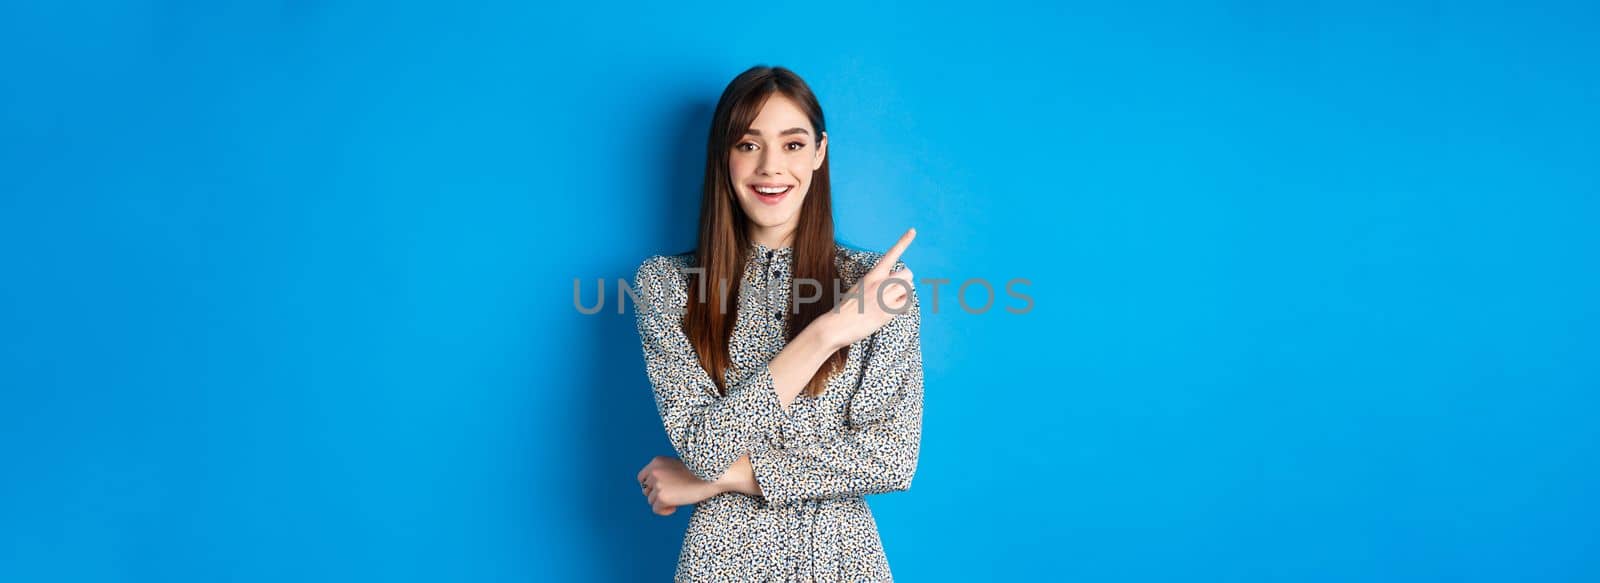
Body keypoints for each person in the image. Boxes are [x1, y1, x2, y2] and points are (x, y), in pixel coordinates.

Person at [631, 64, 925, 581]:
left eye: (792, 144)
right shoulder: (666, 286)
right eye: (748, 144)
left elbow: (890, 458)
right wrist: (826, 332)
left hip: (841, 560)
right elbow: (703, 446)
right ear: (724, 156)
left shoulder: (877, 285)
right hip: (721, 562)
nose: (770, 167)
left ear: (819, 153)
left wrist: (716, 481)